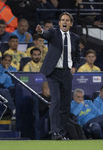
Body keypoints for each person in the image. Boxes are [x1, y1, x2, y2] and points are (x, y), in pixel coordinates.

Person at [36, 12, 81, 140]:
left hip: (67, 73)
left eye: (67, 20)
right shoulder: (53, 33)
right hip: (53, 72)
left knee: (66, 104)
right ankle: (54, 132)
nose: (64, 22)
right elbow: (45, 34)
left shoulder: (75, 38)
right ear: (59, 22)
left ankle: (61, 132)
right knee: (55, 100)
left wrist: (75, 67)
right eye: (62, 20)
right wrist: (40, 31)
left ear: (71, 23)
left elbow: (77, 56)